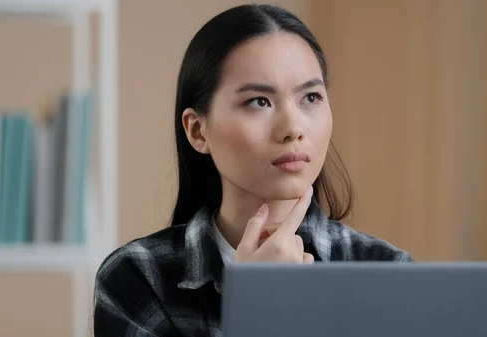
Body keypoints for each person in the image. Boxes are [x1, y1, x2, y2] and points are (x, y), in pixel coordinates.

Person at [93, 3, 412, 336]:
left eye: (311, 97)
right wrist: (257, 310)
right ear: (198, 131)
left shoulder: (388, 273)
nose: (293, 128)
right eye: (259, 101)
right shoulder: (139, 278)